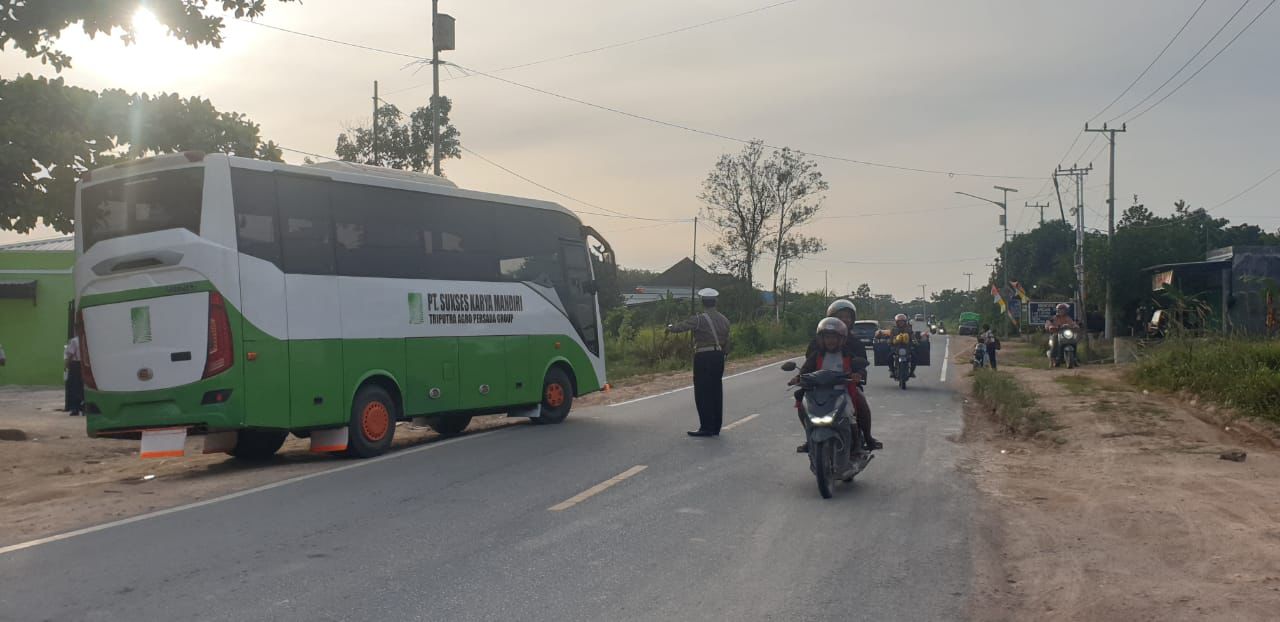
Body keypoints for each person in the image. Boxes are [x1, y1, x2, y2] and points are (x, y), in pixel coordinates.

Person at [801, 299, 881, 452]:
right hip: (819, 387)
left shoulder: (855, 344)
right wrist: (801, 377)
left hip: (846, 387)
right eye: (840, 316)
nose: (845, 319)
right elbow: (808, 364)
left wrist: (858, 375)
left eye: (848, 317)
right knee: (801, 401)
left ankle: (867, 438)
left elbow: (861, 364)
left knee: (861, 403)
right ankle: (809, 436)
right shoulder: (817, 344)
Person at [793, 318, 867, 459]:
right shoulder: (817, 355)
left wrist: (858, 374)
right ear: (821, 339)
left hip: (842, 392)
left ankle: (856, 445)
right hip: (818, 393)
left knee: (849, 413)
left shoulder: (847, 355)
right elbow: (805, 369)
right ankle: (809, 438)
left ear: (841, 339)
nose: (830, 341)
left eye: (834, 337)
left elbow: (859, 368)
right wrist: (798, 378)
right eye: (827, 337)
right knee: (803, 407)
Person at [667, 288, 730, 437]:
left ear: (703, 302)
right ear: (715, 302)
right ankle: (715, 427)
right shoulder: (724, 319)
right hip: (719, 356)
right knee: (716, 391)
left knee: (703, 392)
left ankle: (706, 426)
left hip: (704, 357)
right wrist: (723, 355)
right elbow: (728, 341)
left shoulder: (699, 319)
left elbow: (681, 327)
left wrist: (670, 327)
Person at [888, 313, 918, 378]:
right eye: (899, 322)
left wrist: (915, 342)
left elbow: (913, 336)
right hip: (896, 347)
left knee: (914, 357)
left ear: (905, 322)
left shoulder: (909, 329)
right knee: (889, 356)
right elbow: (891, 338)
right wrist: (890, 342)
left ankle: (912, 372)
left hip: (907, 347)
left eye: (902, 321)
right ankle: (892, 371)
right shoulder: (894, 329)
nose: (901, 323)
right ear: (896, 322)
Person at [64, 335, 83, 416]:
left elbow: (71, 354)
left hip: (76, 365)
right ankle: (84, 408)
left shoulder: (74, 341)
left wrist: (67, 364)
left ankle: (75, 408)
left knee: (74, 387)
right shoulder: (87, 340)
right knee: (82, 386)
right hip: (85, 365)